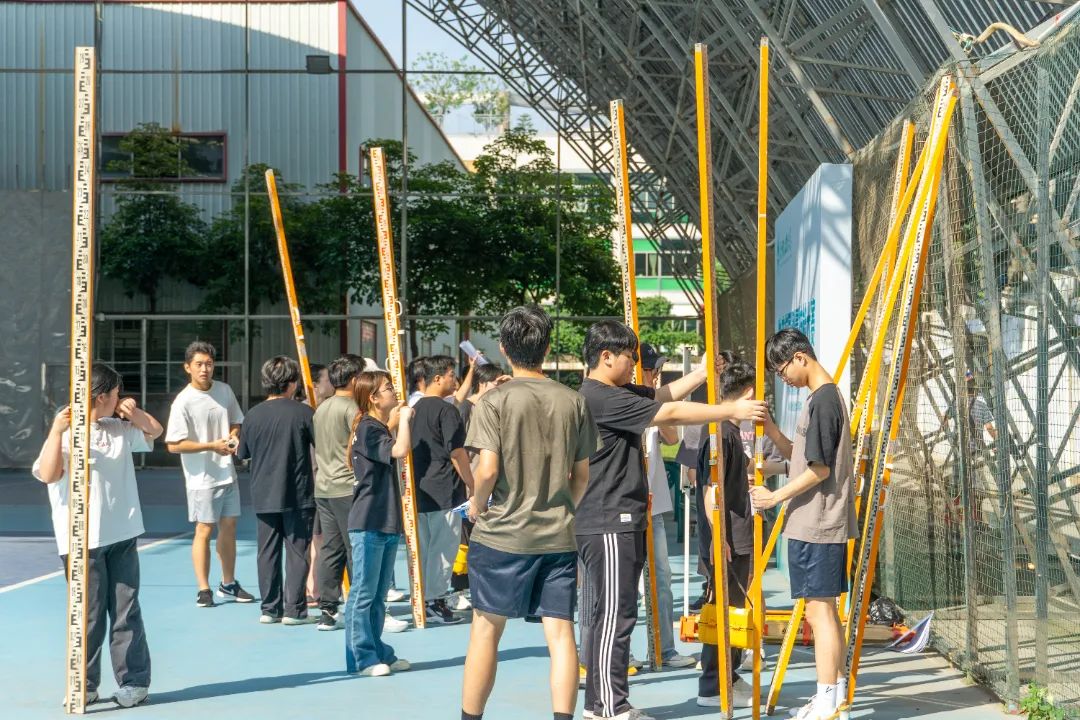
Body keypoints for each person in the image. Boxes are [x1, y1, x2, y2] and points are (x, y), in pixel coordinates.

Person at [576, 321, 766, 720]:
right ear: (606, 357)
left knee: (616, 613)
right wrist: (731, 409)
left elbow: (663, 395)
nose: (635, 366)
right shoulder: (600, 397)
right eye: (629, 357)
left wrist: (703, 372)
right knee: (614, 616)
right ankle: (608, 706)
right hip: (609, 519)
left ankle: (604, 703)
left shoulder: (615, 393)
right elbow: (672, 411)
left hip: (617, 517)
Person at [460, 305, 600, 720]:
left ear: (503, 349)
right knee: (560, 633)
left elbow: (487, 470)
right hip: (557, 535)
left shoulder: (493, 400)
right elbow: (581, 476)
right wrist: (564, 508)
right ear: (548, 346)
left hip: (501, 535)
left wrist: (477, 504)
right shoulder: (573, 401)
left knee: (486, 630)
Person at [33, 364, 159, 708]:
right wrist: (56, 431)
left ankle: (134, 682)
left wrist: (133, 412)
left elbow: (155, 430)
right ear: (101, 396)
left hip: (123, 535)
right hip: (81, 543)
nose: (120, 399)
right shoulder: (66, 432)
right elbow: (48, 474)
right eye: (116, 394)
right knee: (87, 616)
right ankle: (84, 684)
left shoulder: (118, 428)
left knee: (126, 611)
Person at [749, 328, 857, 720]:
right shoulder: (820, 398)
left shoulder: (824, 400)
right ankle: (834, 693)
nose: (784, 378)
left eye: (783, 370)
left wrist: (773, 497)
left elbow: (819, 469)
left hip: (818, 522)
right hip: (816, 521)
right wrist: (773, 432)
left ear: (800, 357)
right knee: (823, 611)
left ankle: (826, 699)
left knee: (819, 613)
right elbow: (804, 457)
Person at [165, 340, 252, 607]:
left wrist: (233, 436)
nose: (204, 369)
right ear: (188, 367)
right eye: (199, 364)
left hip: (228, 474)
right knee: (204, 529)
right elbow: (173, 445)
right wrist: (211, 446)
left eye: (209, 364)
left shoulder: (224, 391)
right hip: (201, 479)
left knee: (230, 527)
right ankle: (203, 589)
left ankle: (228, 583)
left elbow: (236, 421)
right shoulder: (183, 401)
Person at [343, 370, 416, 676]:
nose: (394, 391)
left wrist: (395, 423)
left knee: (377, 596)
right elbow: (399, 450)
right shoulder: (368, 428)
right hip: (369, 520)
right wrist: (405, 421)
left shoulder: (375, 428)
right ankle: (362, 657)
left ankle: (377, 649)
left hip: (384, 520)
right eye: (388, 388)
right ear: (373, 398)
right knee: (363, 593)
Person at [236, 356, 318, 626]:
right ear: (292, 383)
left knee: (267, 551)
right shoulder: (304, 413)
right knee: (298, 551)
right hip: (298, 491)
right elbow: (320, 445)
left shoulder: (252, 415)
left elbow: (243, 453)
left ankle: (270, 608)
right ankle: (294, 609)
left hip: (263, 491)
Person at [695, 361, 759, 708]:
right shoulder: (721, 434)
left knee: (731, 607)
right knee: (722, 608)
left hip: (733, 535)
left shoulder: (728, 433)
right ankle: (712, 684)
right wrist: (720, 538)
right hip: (728, 537)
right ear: (748, 394)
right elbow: (711, 491)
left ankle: (728, 675)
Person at [636, 343, 696, 670]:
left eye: (656, 370)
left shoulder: (652, 400)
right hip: (625, 506)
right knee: (624, 584)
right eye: (651, 369)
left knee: (661, 577)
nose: (655, 375)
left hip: (654, 506)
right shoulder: (620, 399)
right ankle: (619, 651)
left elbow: (672, 437)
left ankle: (664, 649)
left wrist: (657, 399)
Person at [411, 354, 476, 625]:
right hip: (445, 490)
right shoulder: (447, 411)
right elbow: (457, 452)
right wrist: (472, 483)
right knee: (444, 549)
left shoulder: (412, 409)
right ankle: (435, 601)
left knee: (426, 549)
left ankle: (426, 599)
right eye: (451, 375)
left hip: (419, 490)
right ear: (437, 378)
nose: (455, 380)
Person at [676, 350, 737, 612]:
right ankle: (710, 588)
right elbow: (691, 468)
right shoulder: (699, 418)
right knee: (711, 548)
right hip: (710, 498)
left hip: (741, 501)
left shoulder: (747, 415)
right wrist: (706, 480)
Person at [451, 361, 510, 609]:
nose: (500, 388)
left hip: (490, 485)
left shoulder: (495, 407)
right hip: (471, 485)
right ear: (483, 384)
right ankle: (458, 587)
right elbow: (458, 451)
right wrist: (470, 485)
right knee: (466, 539)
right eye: (496, 383)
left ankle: (483, 585)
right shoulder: (466, 408)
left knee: (488, 537)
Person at [312, 354, 364, 630]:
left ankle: (328, 609)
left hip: (324, 487)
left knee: (331, 549)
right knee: (357, 547)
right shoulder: (353, 409)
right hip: (347, 487)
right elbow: (362, 445)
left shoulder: (321, 408)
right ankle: (360, 605)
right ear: (354, 379)